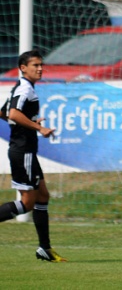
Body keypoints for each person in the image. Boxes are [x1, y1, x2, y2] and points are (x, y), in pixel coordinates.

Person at [0, 50, 66, 262]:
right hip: (23, 151)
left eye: (40, 65)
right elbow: (12, 114)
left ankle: (44, 249)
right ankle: (44, 248)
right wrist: (38, 128)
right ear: (23, 68)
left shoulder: (21, 88)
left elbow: (3, 112)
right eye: (35, 65)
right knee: (27, 203)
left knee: (43, 196)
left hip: (26, 151)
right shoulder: (24, 89)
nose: (40, 68)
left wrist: (30, 123)